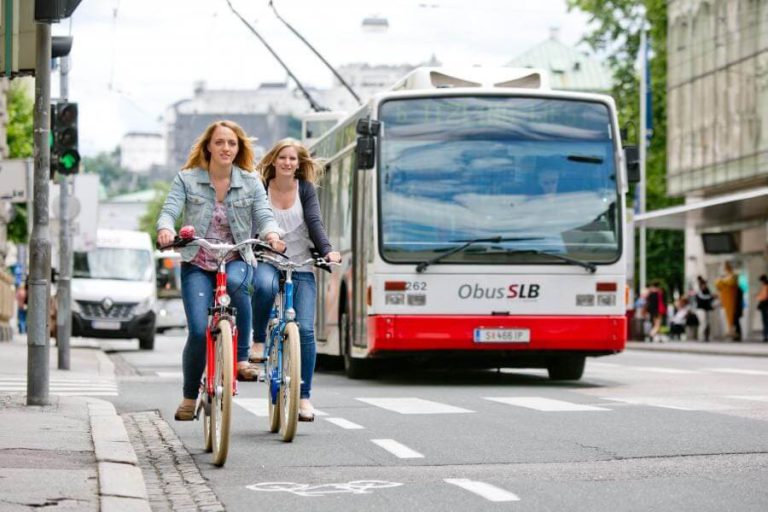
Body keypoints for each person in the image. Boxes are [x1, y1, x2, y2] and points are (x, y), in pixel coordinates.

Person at [156, 120, 285, 421]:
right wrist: (165, 229)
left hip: (235, 256)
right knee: (200, 331)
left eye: (232, 143)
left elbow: (264, 214)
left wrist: (272, 235)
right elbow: (169, 210)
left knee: (241, 285)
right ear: (208, 147)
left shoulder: (250, 182)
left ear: (238, 149)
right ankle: (190, 397)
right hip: (198, 262)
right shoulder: (188, 180)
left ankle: (240, 358)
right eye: (220, 142)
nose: (226, 148)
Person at [250, 138, 341, 423]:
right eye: (283, 158)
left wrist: (327, 251)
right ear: (274, 160)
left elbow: (315, 222)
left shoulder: (306, 190)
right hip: (268, 260)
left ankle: (304, 397)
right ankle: (259, 341)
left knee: (305, 329)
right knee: (263, 286)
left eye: (293, 159)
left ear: (299, 164)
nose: (288, 163)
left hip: (300, 263)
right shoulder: (261, 188)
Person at [715, 261, 740, 341]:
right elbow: (718, 284)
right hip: (725, 300)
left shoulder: (733, 276)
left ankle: (733, 333)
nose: (725, 269)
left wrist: (723, 280)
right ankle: (731, 332)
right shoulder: (725, 277)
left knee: (731, 317)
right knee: (727, 316)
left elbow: (729, 282)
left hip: (731, 300)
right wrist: (723, 280)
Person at [694, 275, 714, 341]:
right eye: (703, 285)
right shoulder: (699, 291)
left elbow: (709, 298)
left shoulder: (707, 291)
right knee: (703, 323)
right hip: (700, 309)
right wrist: (711, 296)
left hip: (706, 309)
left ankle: (706, 337)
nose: (704, 286)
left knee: (707, 323)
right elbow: (703, 298)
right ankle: (701, 337)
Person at [755, 274, 768, 342]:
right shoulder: (764, 286)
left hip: (765, 305)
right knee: (765, 321)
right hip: (764, 305)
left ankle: (765, 336)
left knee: (765, 321)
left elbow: (764, 296)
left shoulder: (765, 286)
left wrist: (758, 297)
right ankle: (765, 335)